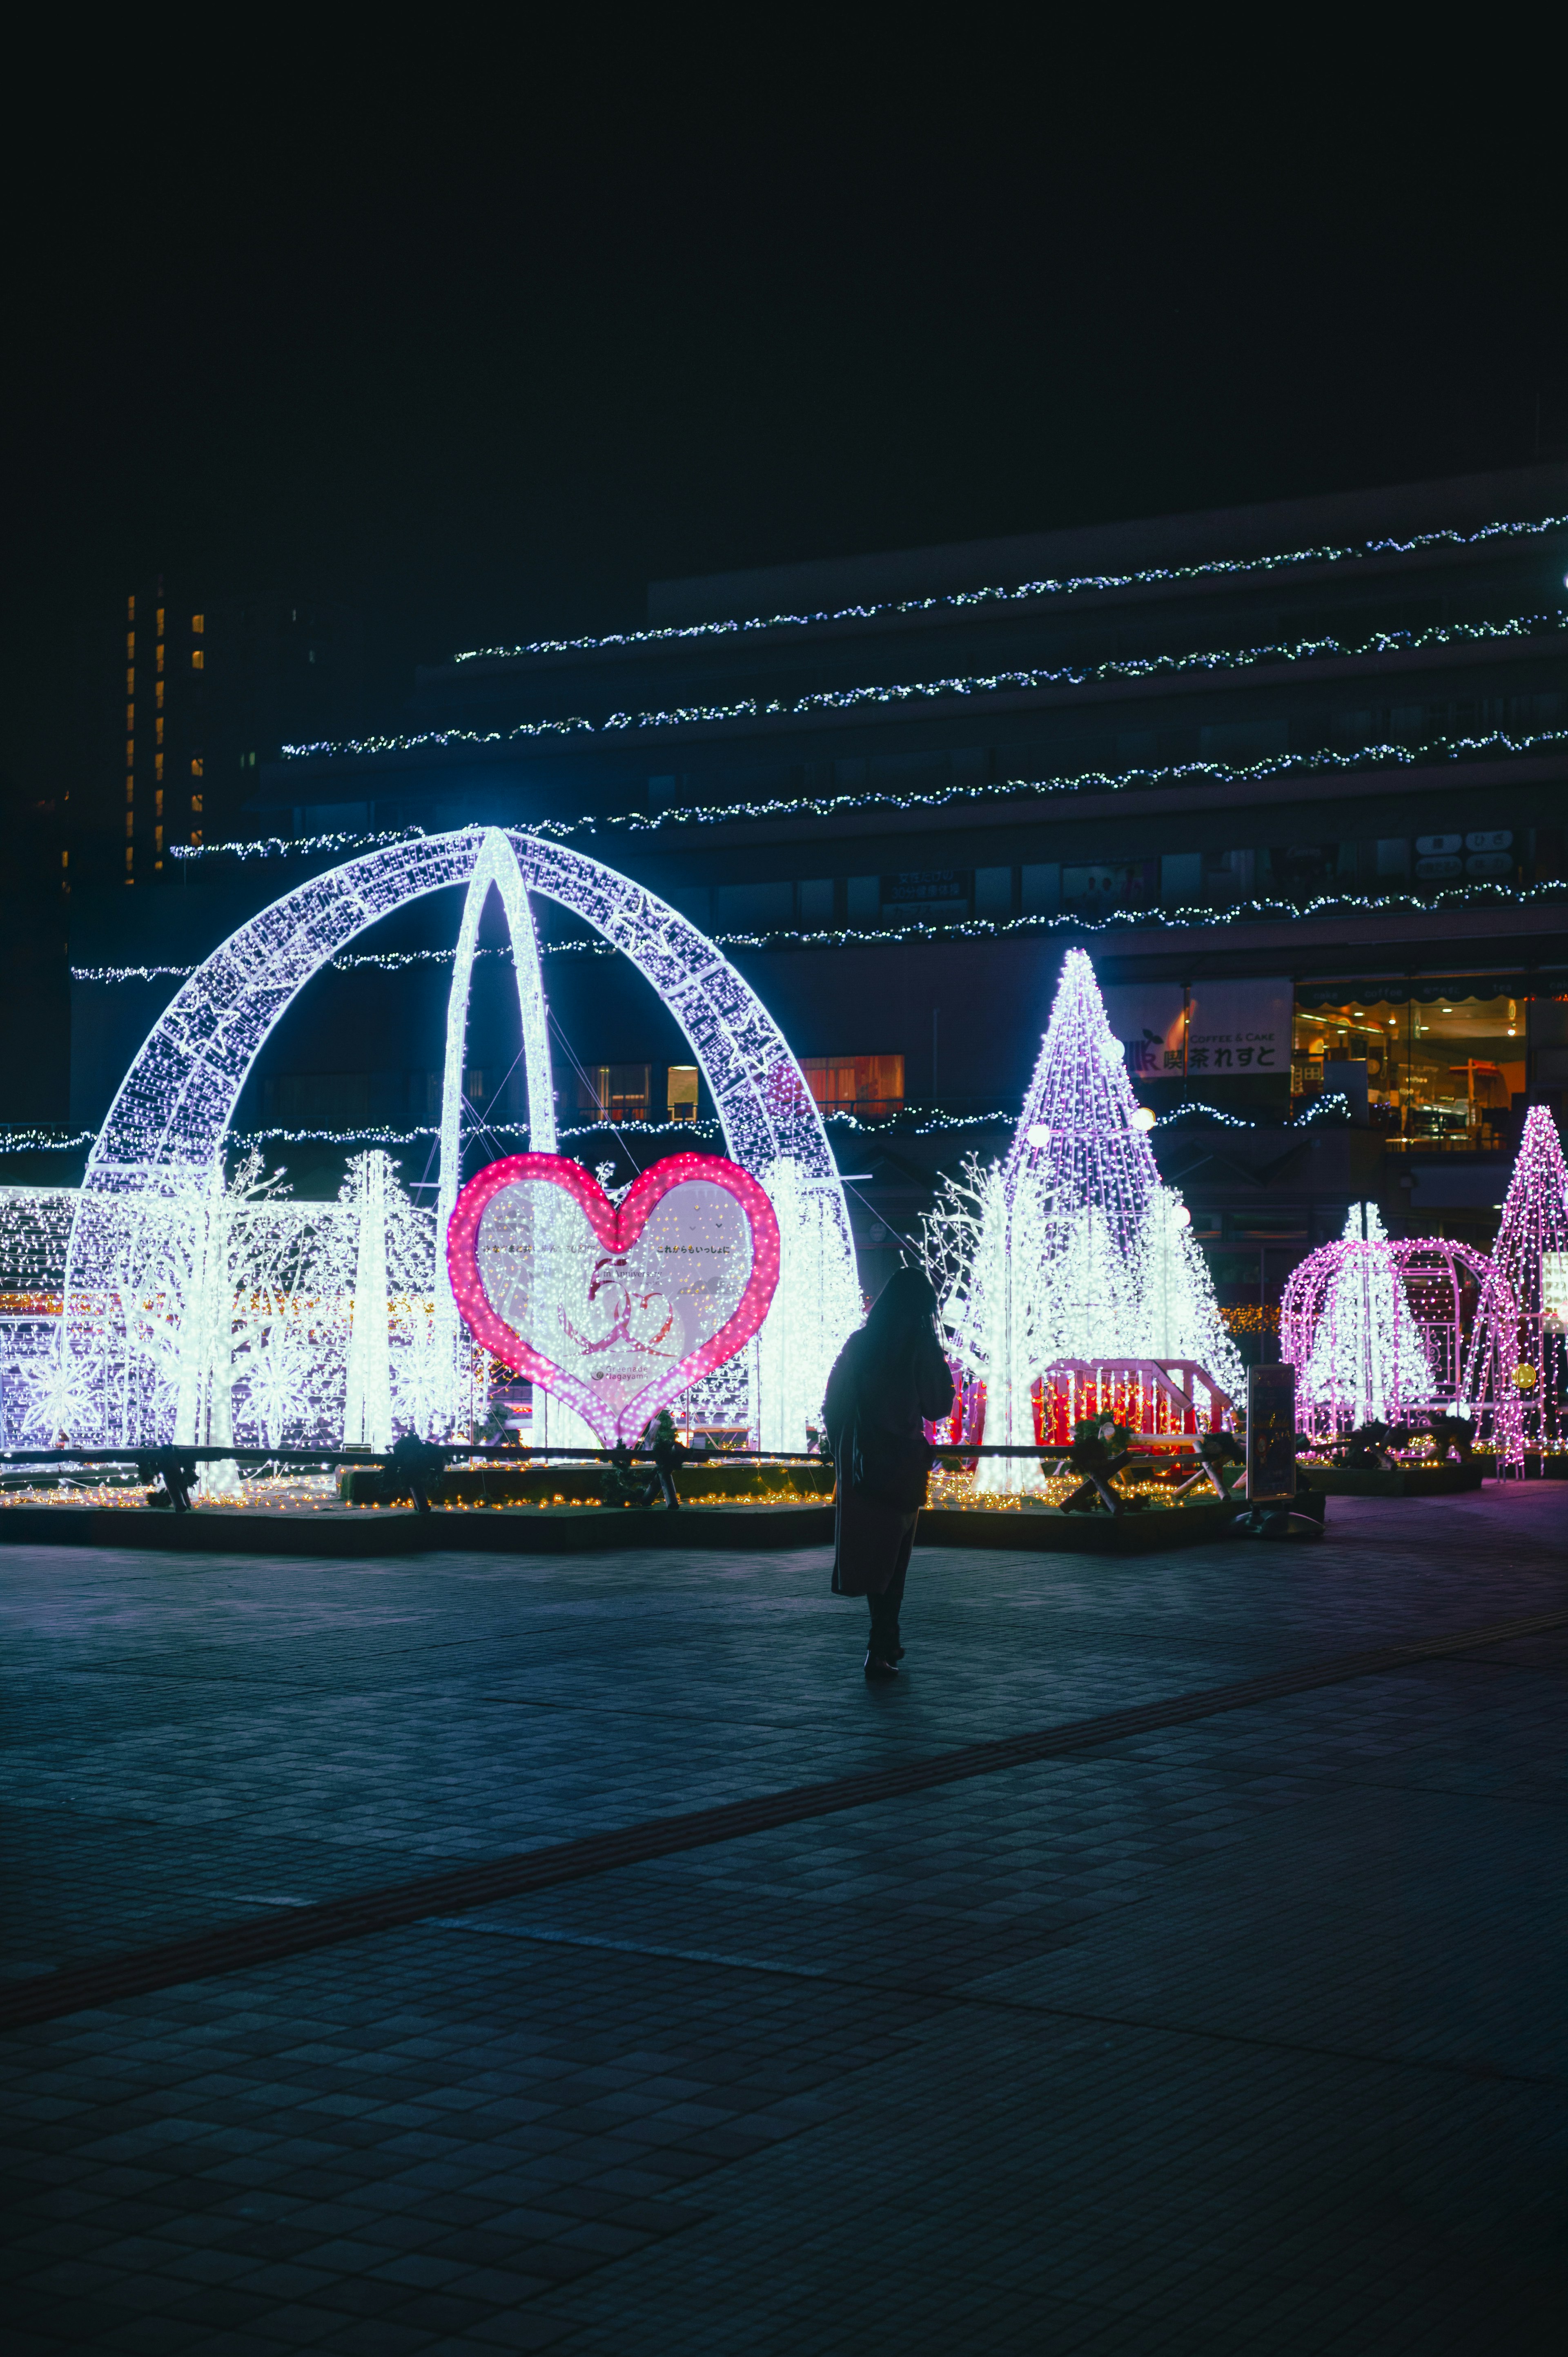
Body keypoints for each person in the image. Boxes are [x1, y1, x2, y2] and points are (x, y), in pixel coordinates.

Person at [823, 1265, 954, 1680]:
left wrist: (846, 1448)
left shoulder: (861, 1343)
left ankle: (883, 1644)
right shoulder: (920, 1344)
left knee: (874, 1560)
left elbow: (833, 1402)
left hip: (861, 1465)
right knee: (896, 1561)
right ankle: (882, 1646)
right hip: (903, 1465)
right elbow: (938, 1405)